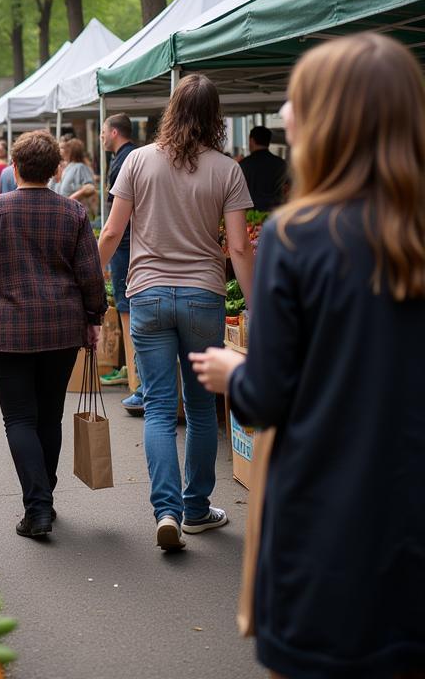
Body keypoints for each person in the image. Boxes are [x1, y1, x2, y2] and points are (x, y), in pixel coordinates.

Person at [190, 34, 425, 679]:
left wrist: (235, 371)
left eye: (296, 101)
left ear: (328, 119)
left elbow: (267, 395)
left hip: (329, 520)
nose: (284, 116)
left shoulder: (300, 237)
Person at [97, 76, 254, 552]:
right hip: (203, 297)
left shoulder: (138, 161)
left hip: (146, 296)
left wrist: (88, 287)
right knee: (203, 408)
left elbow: (110, 233)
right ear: (216, 117)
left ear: (170, 110)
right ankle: (196, 510)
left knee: (160, 408)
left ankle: (164, 510)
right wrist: (255, 305)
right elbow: (240, 248)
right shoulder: (227, 170)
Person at [0, 131, 107, 538]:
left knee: (19, 418)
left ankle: (38, 507)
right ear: (56, 170)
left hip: (8, 329)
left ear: (14, 167)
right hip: (61, 328)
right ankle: (43, 496)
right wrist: (95, 317)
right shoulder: (72, 214)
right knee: (49, 415)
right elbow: (90, 274)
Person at [99, 115, 144, 412]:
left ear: (114, 132)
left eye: (103, 131)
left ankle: (137, 382)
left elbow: (116, 225)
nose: (101, 137)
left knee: (128, 310)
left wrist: (98, 260)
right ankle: (137, 378)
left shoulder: (124, 162)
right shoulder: (136, 157)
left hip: (125, 246)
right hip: (135, 244)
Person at [239, 124, 288, 211]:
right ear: (268, 141)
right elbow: (287, 189)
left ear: (251, 140)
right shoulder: (281, 164)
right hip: (276, 211)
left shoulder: (243, 165)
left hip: (251, 215)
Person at [53, 138, 97, 209]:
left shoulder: (80, 167)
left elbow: (90, 187)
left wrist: (73, 197)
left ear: (71, 151)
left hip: (74, 210)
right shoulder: (67, 167)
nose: (63, 151)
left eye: (65, 149)